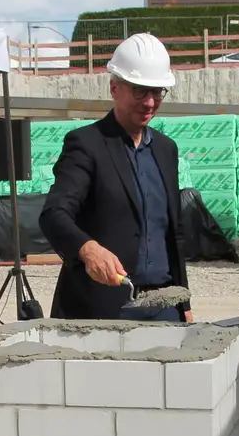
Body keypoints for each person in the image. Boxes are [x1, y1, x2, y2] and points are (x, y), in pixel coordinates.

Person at [41, 32, 192, 322]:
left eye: (157, 92)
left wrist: (183, 303)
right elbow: (54, 214)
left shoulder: (165, 149)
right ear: (114, 87)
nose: (149, 102)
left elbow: (174, 234)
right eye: (139, 90)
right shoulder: (86, 145)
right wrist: (87, 249)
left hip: (164, 304)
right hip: (105, 307)